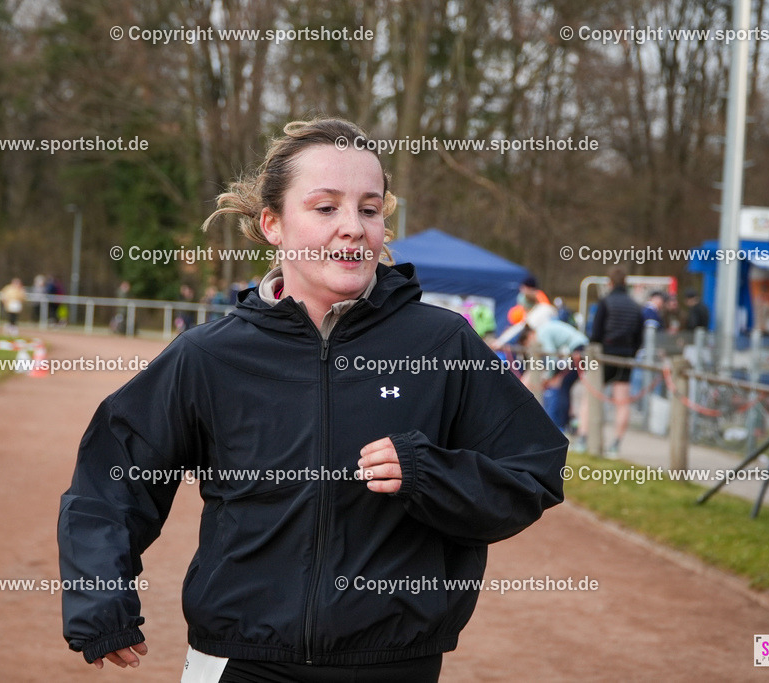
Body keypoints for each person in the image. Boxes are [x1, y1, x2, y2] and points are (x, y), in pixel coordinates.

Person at [58, 117, 567, 682]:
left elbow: (533, 470)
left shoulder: (442, 343)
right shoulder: (209, 355)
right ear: (273, 225)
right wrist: (100, 599)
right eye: (326, 208)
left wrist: (431, 474)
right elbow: (111, 479)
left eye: (369, 209)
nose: (353, 227)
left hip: (394, 664)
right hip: (240, 660)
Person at [579, 266, 643, 457]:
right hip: (625, 357)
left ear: (610, 282)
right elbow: (640, 337)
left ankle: (583, 438)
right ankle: (615, 444)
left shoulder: (605, 302)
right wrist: (631, 352)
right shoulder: (635, 306)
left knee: (590, 397)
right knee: (622, 401)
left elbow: (596, 333)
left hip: (604, 356)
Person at [533, 318, 589, 433]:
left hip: (579, 349)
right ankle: (567, 422)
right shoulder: (546, 328)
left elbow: (552, 358)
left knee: (563, 386)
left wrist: (548, 377)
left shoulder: (541, 333)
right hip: (580, 347)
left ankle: (562, 424)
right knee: (565, 386)